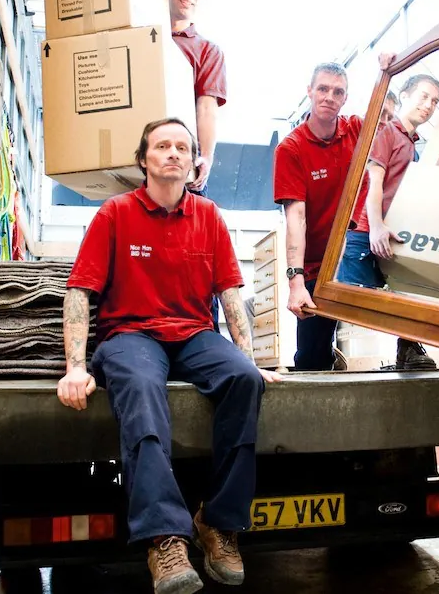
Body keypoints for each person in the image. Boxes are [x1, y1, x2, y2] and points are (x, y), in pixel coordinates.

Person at [59, 118, 283, 594]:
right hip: (130, 335)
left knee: (245, 380)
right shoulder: (115, 213)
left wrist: (250, 359)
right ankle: (164, 537)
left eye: (183, 147)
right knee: (140, 388)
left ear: (193, 161)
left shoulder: (209, 216)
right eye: (163, 146)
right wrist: (75, 367)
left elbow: (230, 293)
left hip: (193, 334)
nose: (174, 154)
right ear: (144, 160)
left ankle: (218, 522)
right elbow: (80, 291)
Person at [272, 54, 396, 371]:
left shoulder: (355, 129)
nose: (329, 97)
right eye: (323, 89)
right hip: (316, 265)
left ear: (345, 98)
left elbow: (382, 112)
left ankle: (405, 348)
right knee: (311, 354)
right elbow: (296, 219)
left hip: (353, 252)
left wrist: (386, 70)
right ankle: (322, 364)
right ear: (310, 91)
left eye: (337, 92)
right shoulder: (292, 148)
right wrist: (295, 280)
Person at [338, 74, 439, 369]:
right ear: (405, 96)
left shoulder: (412, 144)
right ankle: (326, 353)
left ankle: (407, 349)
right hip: (367, 230)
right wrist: (375, 228)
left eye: (434, 101)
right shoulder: (386, 132)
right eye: (423, 96)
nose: (428, 105)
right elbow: (374, 183)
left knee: (411, 288)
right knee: (349, 299)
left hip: (394, 231)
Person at [163, 0, 225, 198]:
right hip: (141, 163)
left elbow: (207, 109)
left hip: (183, 166)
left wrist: (205, 159)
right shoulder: (141, 40)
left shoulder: (207, 51)